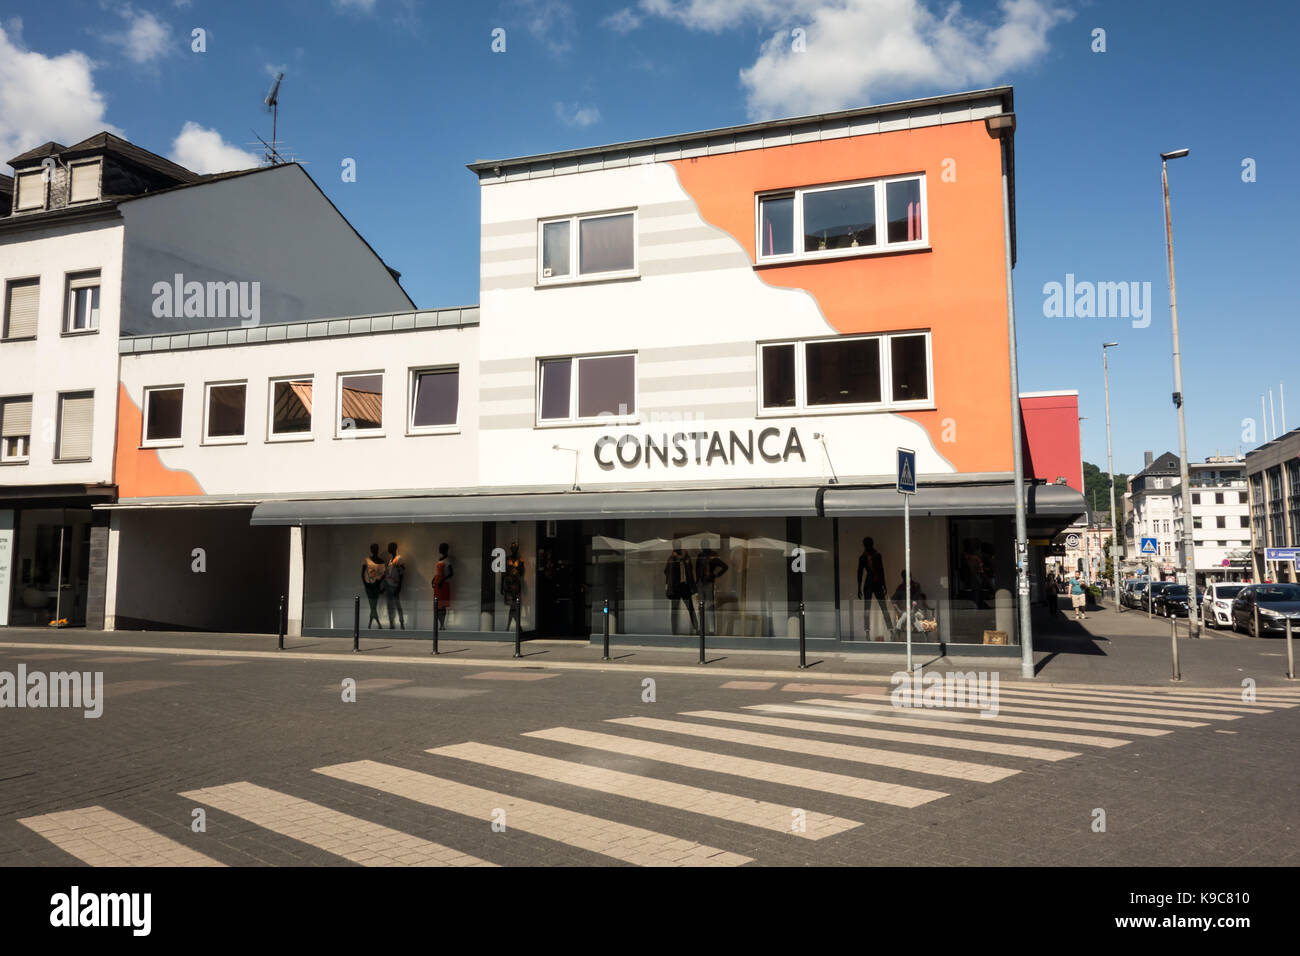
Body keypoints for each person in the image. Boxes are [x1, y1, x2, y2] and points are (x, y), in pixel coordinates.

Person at [857, 537, 892, 640]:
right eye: (866, 544)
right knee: (867, 609)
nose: (867, 545)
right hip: (870, 583)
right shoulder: (863, 557)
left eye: (869, 543)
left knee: (884, 607)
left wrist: (884, 585)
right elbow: (859, 573)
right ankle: (867, 632)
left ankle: (890, 629)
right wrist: (858, 588)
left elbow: (881, 571)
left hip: (876, 583)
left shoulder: (877, 556)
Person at [694, 539, 729, 633]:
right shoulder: (700, 556)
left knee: (710, 606)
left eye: (704, 544)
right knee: (701, 606)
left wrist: (716, 575)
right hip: (701, 583)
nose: (703, 546)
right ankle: (701, 628)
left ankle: (711, 629)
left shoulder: (713, 555)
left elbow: (725, 566)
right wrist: (697, 582)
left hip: (709, 583)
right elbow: (697, 569)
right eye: (702, 545)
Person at [663, 539, 697, 634]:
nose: (677, 547)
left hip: (685, 586)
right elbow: (666, 571)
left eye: (679, 545)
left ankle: (697, 628)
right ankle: (674, 631)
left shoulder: (686, 557)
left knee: (690, 608)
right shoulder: (671, 558)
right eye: (676, 546)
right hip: (675, 588)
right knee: (674, 611)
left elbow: (690, 570)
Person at [361, 543, 386, 629]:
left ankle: (371, 625)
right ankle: (377, 624)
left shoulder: (381, 561)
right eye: (373, 549)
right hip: (369, 586)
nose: (375, 550)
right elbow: (362, 574)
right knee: (373, 605)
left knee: (373, 606)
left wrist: (378, 583)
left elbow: (383, 575)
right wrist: (366, 584)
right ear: (371, 550)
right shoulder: (367, 560)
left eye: (376, 549)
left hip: (376, 586)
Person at [502, 542, 524, 632]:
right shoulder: (507, 559)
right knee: (512, 607)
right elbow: (503, 574)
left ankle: (511, 627)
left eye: (516, 548)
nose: (514, 550)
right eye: (513, 548)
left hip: (516, 586)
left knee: (514, 607)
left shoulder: (520, 561)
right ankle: (517, 627)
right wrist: (502, 587)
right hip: (509, 586)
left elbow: (521, 573)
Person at [384, 541, 406, 629]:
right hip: (389, 585)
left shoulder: (399, 559)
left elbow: (402, 573)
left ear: (393, 548)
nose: (388, 549)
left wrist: (400, 585)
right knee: (390, 605)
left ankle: (401, 623)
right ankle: (391, 623)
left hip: (395, 585)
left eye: (389, 547)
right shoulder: (391, 560)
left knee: (397, 604)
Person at [431, 542, 453, 628]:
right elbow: (438, 573)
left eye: (441, 548)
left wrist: (442, 580)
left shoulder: (447, 560)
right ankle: (438, 624)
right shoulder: (440, 559)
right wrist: (433, 579)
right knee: (437, 605)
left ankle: (442, 624)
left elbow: (451, 573)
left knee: (442, 605)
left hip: (443, 585)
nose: (439, 549)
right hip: (438, 584)